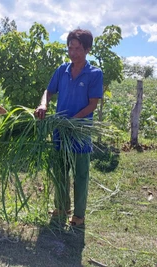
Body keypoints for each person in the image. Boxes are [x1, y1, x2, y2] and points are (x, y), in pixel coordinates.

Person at [34, 28, 103, 226]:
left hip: (80, 131)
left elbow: (92, 104)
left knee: (81, 174)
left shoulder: (94, 74)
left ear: (87, 49)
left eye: (78, 48)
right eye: (70, 48)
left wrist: (73, 120)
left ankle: (79, 215)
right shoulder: (62, 70)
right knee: (60, 170)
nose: (73, 53)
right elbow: (49, 90)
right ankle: (62, 207)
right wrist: (43, 104)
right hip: (60, 130)